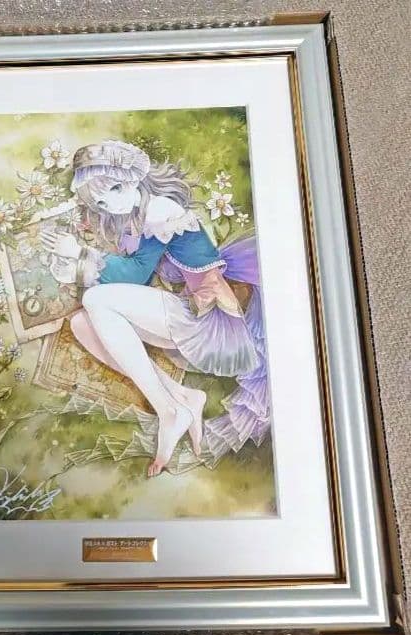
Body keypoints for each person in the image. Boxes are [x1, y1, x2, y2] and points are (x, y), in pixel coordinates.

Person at [41, 139, 269, 477]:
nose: (111, 205)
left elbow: (134, 275)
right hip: (186, 314)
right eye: (101, 201)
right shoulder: (137, 215)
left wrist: (80, 254)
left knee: (95, 300)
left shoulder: (160, 211)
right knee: (82, 325)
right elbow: (139, 278)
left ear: (133, 178)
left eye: (115, 189)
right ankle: (182, 397)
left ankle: (168, 412)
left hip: (210, 323)